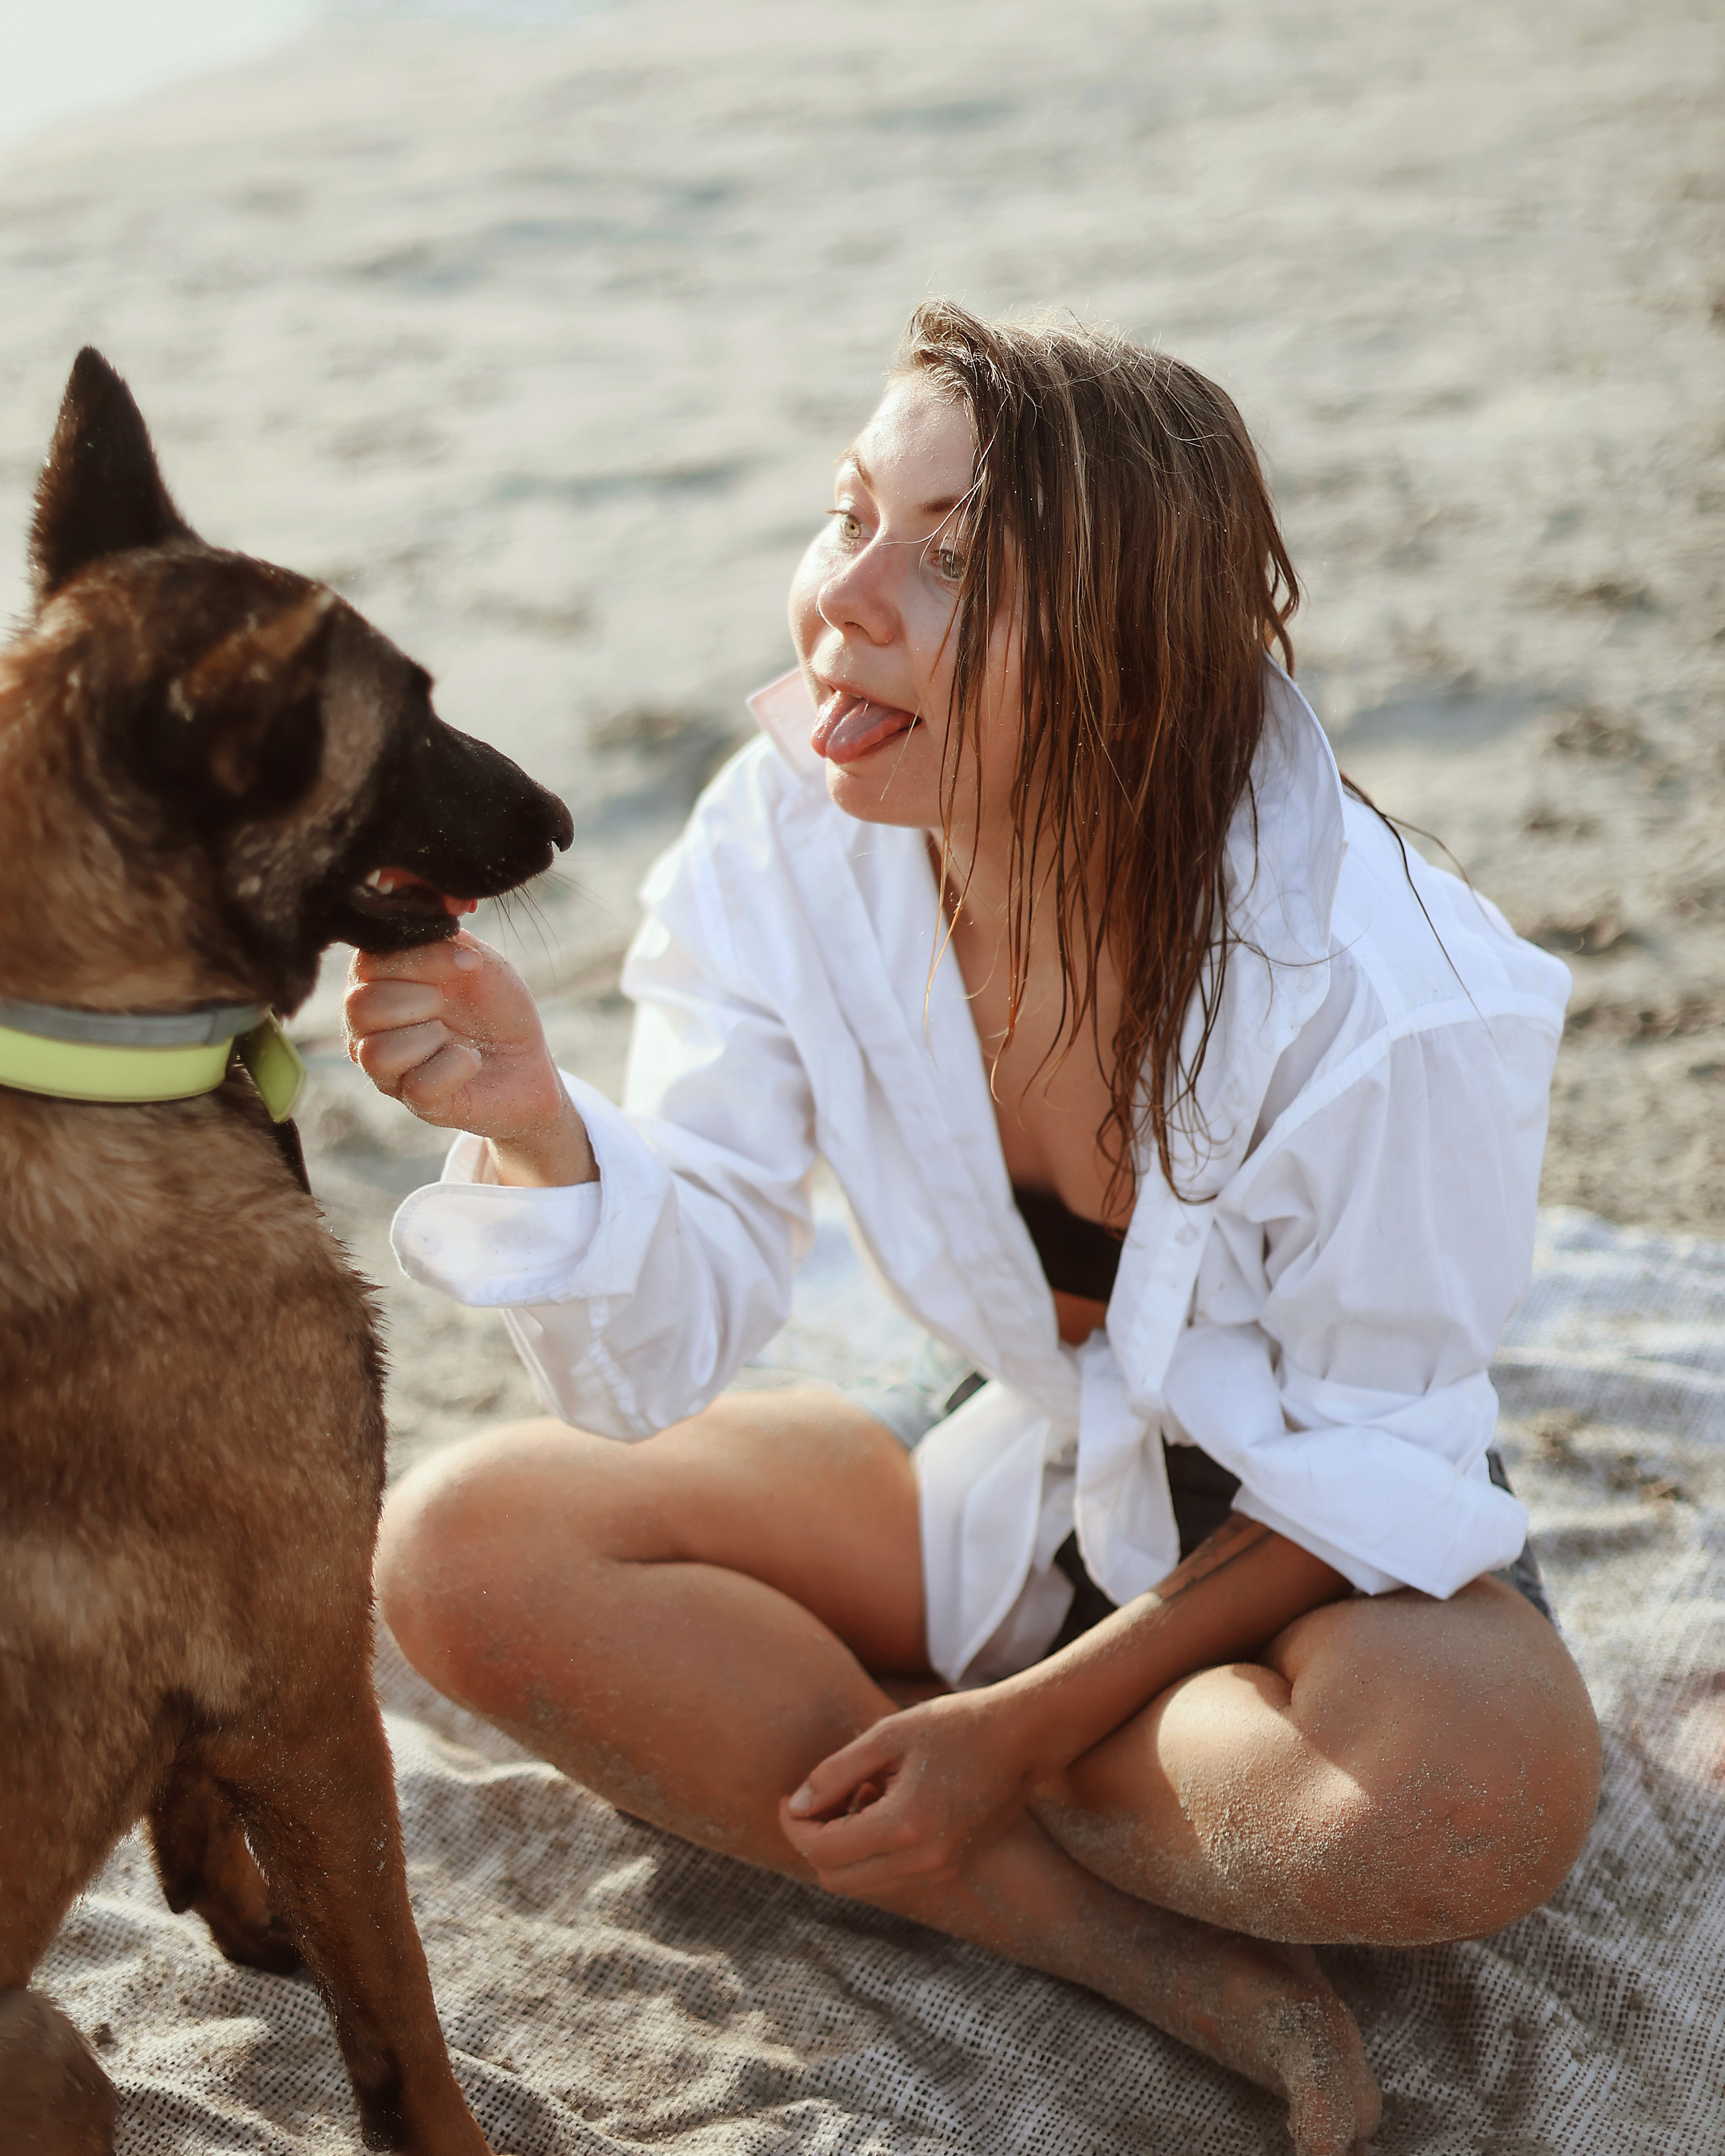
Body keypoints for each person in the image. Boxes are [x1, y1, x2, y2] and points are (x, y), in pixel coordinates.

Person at [346, 303, 1600, 2156]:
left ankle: (932, 1763)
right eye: (850, 513)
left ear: (1136, 656)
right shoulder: (789, 834)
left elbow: (1381, 1453)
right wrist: (537, 1122)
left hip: (1302, 1529)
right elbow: (675, 1332)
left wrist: (1005, 1731)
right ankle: (1088, 1928)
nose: (848, 595)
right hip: (999, 1430)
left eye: (950, 564)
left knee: (1459, 1806)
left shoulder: (1392, 986)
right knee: (461, 1546)